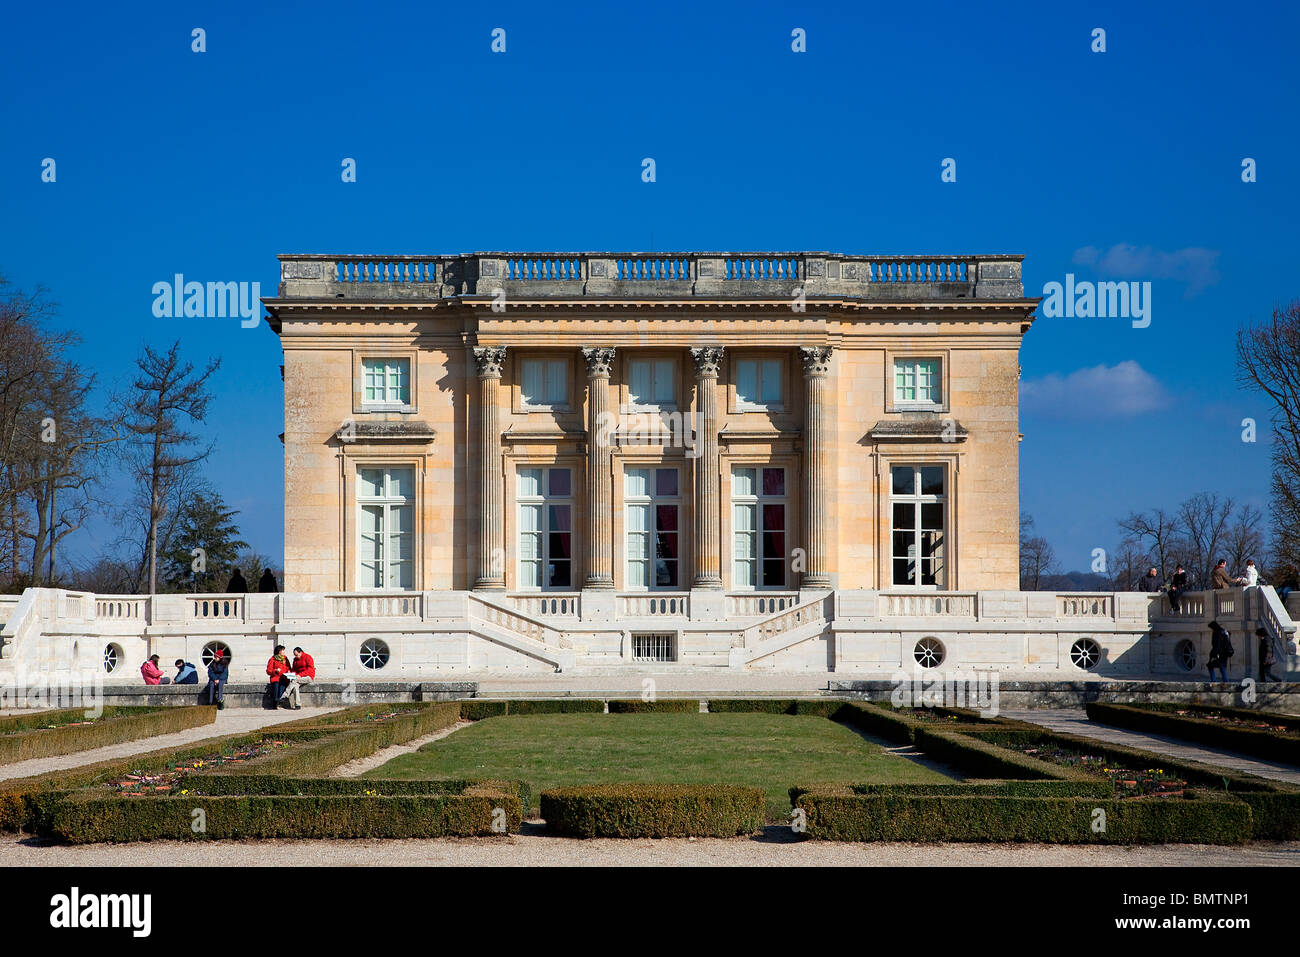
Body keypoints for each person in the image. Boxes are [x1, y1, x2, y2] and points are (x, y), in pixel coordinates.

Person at [280, 646, 315, 710]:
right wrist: (291, 673)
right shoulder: (295, 660)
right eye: (294, 655)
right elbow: (294, 670)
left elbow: (310, 669)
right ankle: (298, 705)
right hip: (298, 678)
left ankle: (284, 696)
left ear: (300, 652)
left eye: (296, 655)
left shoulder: (308, 657)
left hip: (308, 677)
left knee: (294, 680)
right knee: (295, 687)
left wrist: (300, 675)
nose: (296, 656)